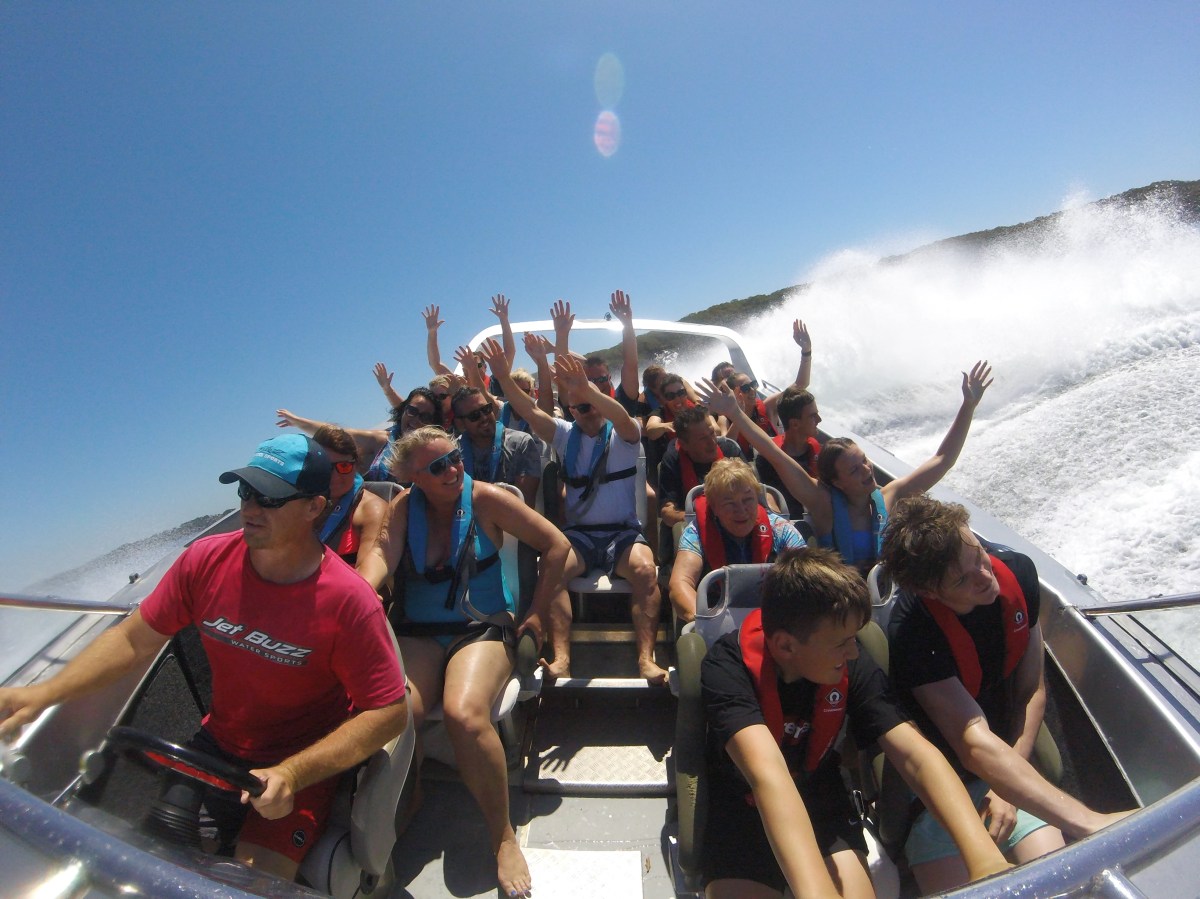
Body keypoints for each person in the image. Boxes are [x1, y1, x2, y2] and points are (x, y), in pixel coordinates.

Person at [0, 435, 408, 880]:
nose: (250, 509)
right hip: (218, 744)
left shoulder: (348, 601)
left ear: (314, 506)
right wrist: (44, 694)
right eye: (246, 492)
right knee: (146, 859)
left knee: (252, 881)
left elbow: (388, 712)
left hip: (301, 758)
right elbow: (133, 641)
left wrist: (292, 774)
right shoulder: (204, 560)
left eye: (269, 498)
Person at [700, 547, 1010, 898]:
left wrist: (984, 858)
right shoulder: (726, 668)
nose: (852, 651)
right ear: (786, 646)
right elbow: (768, 776)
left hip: (821, 802)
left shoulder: (852, 662)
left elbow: (916, 755)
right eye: (841, 643)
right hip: (742, 813)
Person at [358, 426, 572, 899]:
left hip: (480, 628)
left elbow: (557, 545)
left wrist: (537, 611)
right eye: (438, 466)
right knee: (395, 714)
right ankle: (410, 794)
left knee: (464, 714)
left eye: (455, 457)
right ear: (413, 477)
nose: (453, 469)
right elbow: (377, 562)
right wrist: (357, 592)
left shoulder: (488, 499)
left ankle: (502, 837)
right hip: (419, 631)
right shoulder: (401, 508)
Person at [880, 496, 1132, 892]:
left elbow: (1032, 688)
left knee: (1062, 887)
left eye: (978, 555)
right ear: (931, 591)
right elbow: (970, 741)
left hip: (1009, 762)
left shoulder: (1017, 572)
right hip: (941, 791)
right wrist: (1087, 822)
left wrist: (1008, 788)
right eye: (962, 580)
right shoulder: (913, 631)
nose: (984, 575)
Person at [483, 338, 669, 684]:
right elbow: (529, 412)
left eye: (595, 405)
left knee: (646, 571)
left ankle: (646, 659)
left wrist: (587, 391)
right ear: (571, 411)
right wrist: (503, 377)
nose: (590, 412)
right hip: (580, 536)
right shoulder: (564, 435)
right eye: (582, 408)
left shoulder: (625, 435)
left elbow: (620, 415)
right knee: (552, 570)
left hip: (622, 533)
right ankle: (562, 659)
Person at [699, 362, 994, 574]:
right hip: (844, 600)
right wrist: (735, 412)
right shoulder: (822, 503)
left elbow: (942, 460)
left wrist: (968, 406)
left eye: (864, 461)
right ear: (837, 482)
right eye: (854, 470)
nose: (867, 470)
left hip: (886, 593)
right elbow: (773, 454)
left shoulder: (889, 496)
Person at [668, 459, 805, 623]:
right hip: (717, 620)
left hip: (775, 620)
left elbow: (808, 574)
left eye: (747, 499)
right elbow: (681, 582)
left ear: (757, 498)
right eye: (729, 503)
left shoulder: (780, 529)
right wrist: (706, 622)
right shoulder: (694, 533)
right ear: (714, 507)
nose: (741, 510)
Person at [276, 384, 441, 484]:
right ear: (403, 410)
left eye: (425, 417)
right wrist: (298, 421)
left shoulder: (434, 452)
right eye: (412, 411)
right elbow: (339, 434)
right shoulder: (381, 441)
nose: (416, 420)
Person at [657, 405, 744, 560]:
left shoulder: (730, 451)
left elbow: (758, 495)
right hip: (695, 536)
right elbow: (667, 513)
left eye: (712, 433)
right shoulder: (672, 460)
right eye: (703, 438)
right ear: (684, 444)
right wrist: (706, 519)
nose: (712, 442)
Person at [722, 319, 815, 461]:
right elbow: (726, 449)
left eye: (753, 384)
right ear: (733, 393)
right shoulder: (726, 419)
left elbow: (800, 385)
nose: (752, 390)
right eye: (745, 388)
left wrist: (806, 351)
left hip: (781, 462)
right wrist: (739, 414)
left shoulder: (767, 407)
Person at [310, 424, 390, 569]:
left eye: (344, 466)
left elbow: (368, 574)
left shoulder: (371, 510)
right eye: (326, 467)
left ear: (356, 465)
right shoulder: (299, 504)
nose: (334, 477)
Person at [450, 386, 542, 507]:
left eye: (486, 409)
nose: (484, 417)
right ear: (460, 423)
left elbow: (525, 503)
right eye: (475, 415)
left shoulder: (521, 443)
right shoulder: (453, 453)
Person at [754, 386, 822, 519]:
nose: (819, 420)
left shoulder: (816, 449)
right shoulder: (768, 461)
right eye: (813, 416)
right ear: (795, 424)